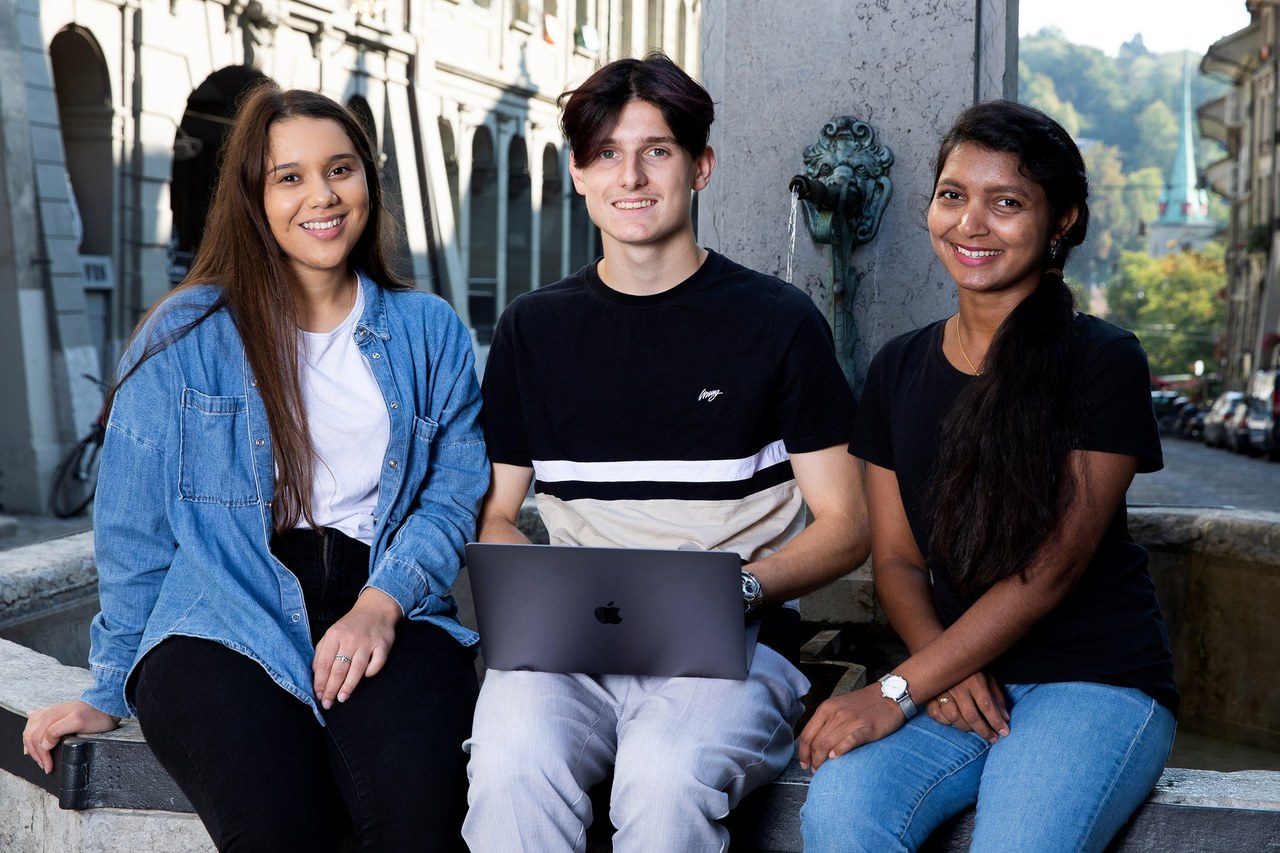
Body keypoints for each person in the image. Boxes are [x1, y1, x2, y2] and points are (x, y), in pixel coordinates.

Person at [22, 83, 486, 852]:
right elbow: (133, 530)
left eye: (341, 169)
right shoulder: (185, 332)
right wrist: (106, 685)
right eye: (290, 177)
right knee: (278, 829)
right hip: (219, 611)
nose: (322, 195)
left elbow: (453, 490)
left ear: (369, 180)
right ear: (253, 197)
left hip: (383, 604)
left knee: (420, 821)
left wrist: (384, 601)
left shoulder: (428, 330)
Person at [462, 52, 870, 852]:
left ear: (701, 166)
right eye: (607, 153)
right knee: (508, 765)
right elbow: (500, 512)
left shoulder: (778, 321)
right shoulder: (531, 329)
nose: (632, 176)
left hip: (731, 645)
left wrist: (741, 588)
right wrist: (530, 586)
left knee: (666, 774)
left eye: (657, 150)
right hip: (569, 644)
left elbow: (848, 521)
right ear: (579, 175)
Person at [798, 100, 1178, 853]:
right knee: (840, 806)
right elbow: (899, 558)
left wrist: (899, 687)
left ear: (1062, 219)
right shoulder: (900, 368)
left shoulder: (1103, 360)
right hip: (957, 676)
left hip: (1093, 682)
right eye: (953, 196)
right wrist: (938, 667)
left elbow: (1051, 568)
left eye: (1006, 203)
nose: (971, 224)